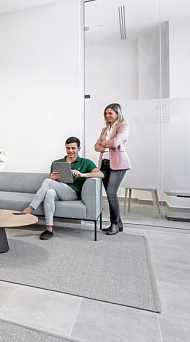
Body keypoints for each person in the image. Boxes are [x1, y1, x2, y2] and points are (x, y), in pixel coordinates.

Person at [23, 136, 104, 240]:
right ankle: (49, 229)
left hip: (72, 194)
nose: (70, 151)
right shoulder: (57, 162)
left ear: (79, 148)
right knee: (50, 192)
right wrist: (52, 177)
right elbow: (51, 180)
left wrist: (82, 174)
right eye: (68, 148)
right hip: (58, 191)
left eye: (73, 148)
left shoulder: (86, 162)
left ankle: (30, 208)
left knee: (47, 182)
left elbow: (101, 174)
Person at [94, 103, 131, 235]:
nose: (107, 115)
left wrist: (103, 143)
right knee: (110, 194)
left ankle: (114, 224)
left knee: (111, 193)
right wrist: (103, 144)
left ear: (117, 113)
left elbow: (115, 143)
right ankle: (118, 223)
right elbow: (96, 146)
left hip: (118, 164)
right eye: (106, 113)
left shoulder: (123, 126)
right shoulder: (105, 129)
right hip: (104, 163)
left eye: (110, 113)